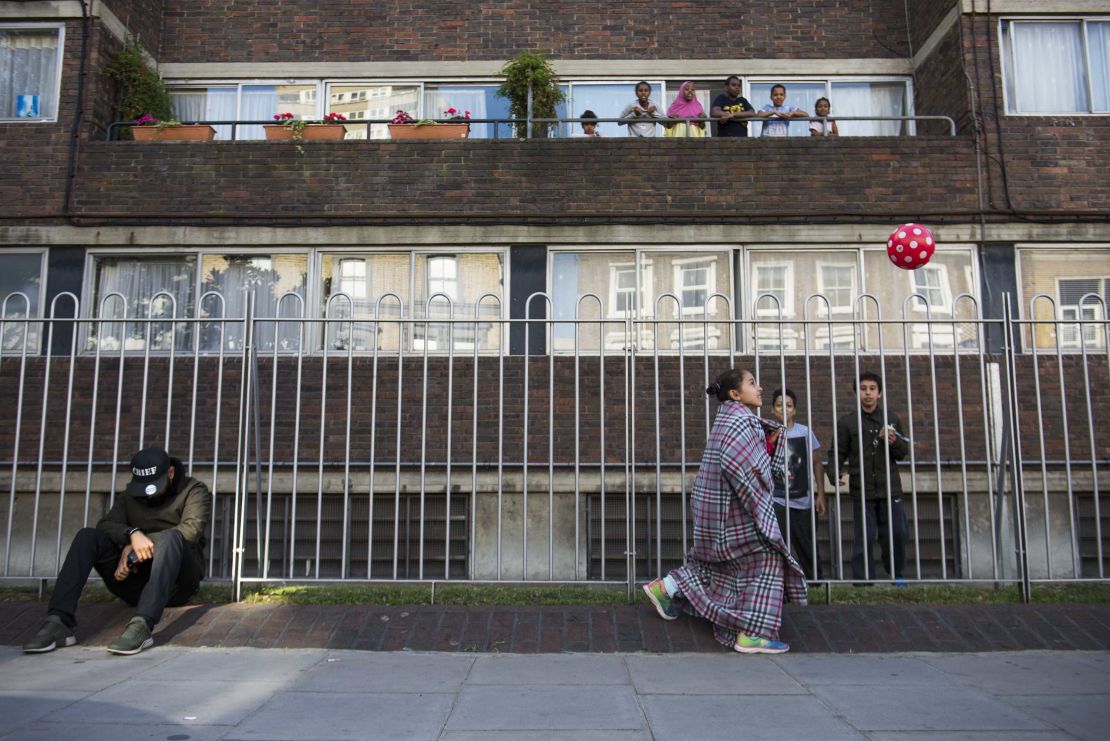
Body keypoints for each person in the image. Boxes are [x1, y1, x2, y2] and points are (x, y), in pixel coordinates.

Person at [642, 368, 808, 654]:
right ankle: (753, 633)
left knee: (712, 563)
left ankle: (665, 587)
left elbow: (738, 458)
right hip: (731, 512)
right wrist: (760, 506)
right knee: (767, 560)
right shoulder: (743, 422)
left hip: (713, 510)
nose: (759, 388)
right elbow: (743, 469)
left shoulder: (727, 420)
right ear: (735, 394)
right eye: (752, 383)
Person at [22, 447, 210, 655]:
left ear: (171, 473)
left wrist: (135, 547)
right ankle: (58, 622)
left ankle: (142, 626)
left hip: (176, 584)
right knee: (87, 536)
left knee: (171, 536)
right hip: (134, 580)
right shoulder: (131, 493)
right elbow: (107, 524)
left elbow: (191, 530)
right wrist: (132, 534)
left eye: (155, 485)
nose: (149, 492)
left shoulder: (193, 490)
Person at [827, 372, 910, 582]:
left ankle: (896, 574)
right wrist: (833, 472)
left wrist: (893, 441)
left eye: (872, 389)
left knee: (897, 533)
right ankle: (864, 581)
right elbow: (837, 452)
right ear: (857, 393)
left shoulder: (891, 418)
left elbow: (903, 452)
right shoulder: (847, 422)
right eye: (863, 389)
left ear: (879, 393)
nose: (868, 393)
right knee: (863, 537)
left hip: (890, 487)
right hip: (862, 488)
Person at [770, 388, 826, 580]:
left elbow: (816, 463)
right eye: (779, 405)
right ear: (772, 409)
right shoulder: (767, 432)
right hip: (776, 499)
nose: (784, 410)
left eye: (788, 405)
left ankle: (816, 581)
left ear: (794, 410)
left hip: (803, 499)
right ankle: (780, 585)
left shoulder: (805, 432)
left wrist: (821, 494)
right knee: (777, 546)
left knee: (807, 545)